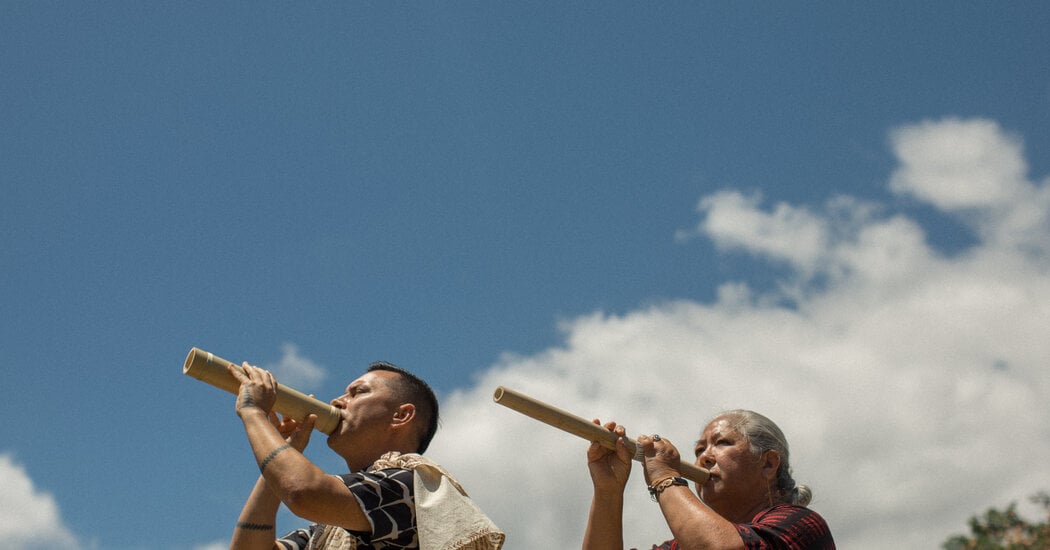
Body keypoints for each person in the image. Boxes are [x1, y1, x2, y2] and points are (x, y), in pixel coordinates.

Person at [226, 359, 505, 550]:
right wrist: (283, 448)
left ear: (401, 415)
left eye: (357, 393)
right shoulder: (329, 531)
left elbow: (304, 492)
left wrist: (254, 413)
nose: (337, 401)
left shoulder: (413, 487)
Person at [583, 409, 834, 549]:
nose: (704, 457)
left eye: (722, 443)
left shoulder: (802, 525)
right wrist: (607, 490)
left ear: (768, 463)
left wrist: (665, 476)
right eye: (699, 450)